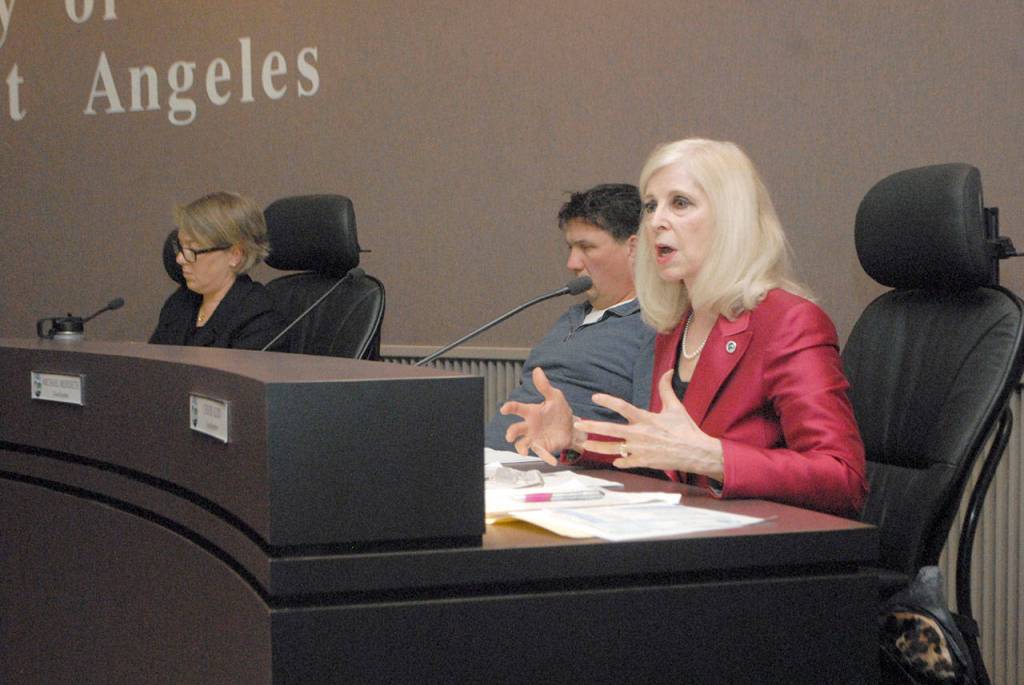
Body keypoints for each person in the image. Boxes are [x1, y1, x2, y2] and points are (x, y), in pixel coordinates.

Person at [501, 139, 867, 517]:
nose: (656, 221)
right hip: (688, 527)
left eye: (680, 203)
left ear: (731, 218)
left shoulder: (789, 321)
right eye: (651, 205)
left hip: (765, 540)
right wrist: (577, 436)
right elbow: (667, 456)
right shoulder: (675, 326)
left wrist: (715, 458)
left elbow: (844, 479)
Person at [484, 183, 657, 451]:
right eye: (571, 248)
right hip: (490, 459)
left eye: (586, 247)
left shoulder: (652, 325)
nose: (572, 264)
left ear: (633, 248)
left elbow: (649, 439)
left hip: (561, 468)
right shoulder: (571, 317)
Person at [149, 191, 286, 350]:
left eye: (192, 249)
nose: (179, 259)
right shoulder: (180, 302)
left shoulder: (260, 318)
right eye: (180, 247)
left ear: (235, 255)